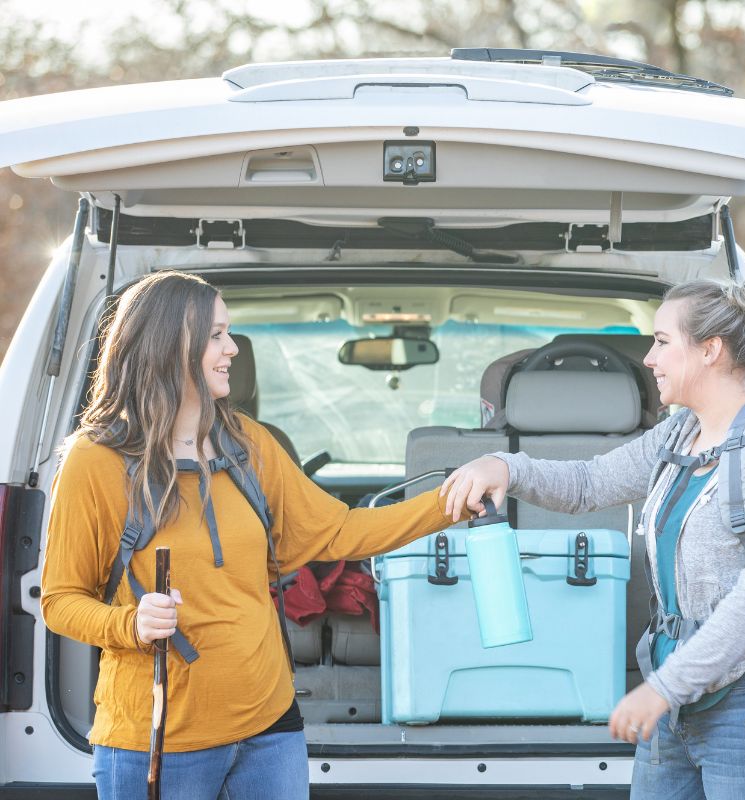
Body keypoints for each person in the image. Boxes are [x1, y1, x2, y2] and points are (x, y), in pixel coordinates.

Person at [40, 271, 464, 800]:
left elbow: (341, 530)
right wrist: (131, 623)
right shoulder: (94, 461)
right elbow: (60, 601)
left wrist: (452, 501)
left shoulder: (247, 444)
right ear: (170, 345)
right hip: (159, 740)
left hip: (270, 729)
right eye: (216, 335)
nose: (233, 349)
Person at [441, 266, 745, 799]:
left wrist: (663, 688)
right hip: (676, 701)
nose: (648, 358)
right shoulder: (680, 432)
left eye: (662, 342)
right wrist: (506, 467)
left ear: (710, 350)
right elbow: (589, 484)